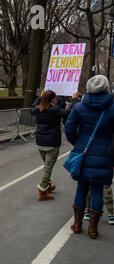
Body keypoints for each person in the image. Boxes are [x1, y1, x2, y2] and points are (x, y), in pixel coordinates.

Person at [65, 75, 114, 239]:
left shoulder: (79, 107)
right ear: (106, 88)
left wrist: (77, 143)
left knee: (81, 188)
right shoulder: (112, 107)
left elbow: (69, 128)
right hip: (105, 155)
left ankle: (77, 224)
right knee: (97, 191)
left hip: (83, 153)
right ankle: (93, 228)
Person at [30, 90, 70, 200]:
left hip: (40, 142)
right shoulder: (55, 110)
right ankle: (42, 190)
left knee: (47, 166)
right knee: (48, 167)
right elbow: (68, 112)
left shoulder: (38, 109)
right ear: (53, 99)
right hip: (52, 143)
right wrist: (74, 100)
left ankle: (48, 184)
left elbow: (31, 108)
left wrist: (39, 97)